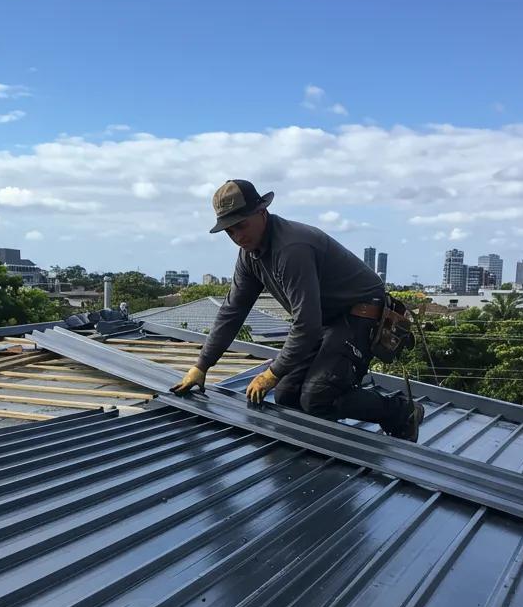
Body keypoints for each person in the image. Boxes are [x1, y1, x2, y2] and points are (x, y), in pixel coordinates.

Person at [171, 179, 422, 441]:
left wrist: (272, 372)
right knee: (286, 394)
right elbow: (233, 311)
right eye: (230, 232)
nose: (238, 237)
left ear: (262, 213)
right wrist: (202, 366)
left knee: (317, 395)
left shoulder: (291, 249)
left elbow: (306, 325)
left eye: (241, 226)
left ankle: (403, 413)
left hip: (360, 314)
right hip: (327, 319)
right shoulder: (250, 254)